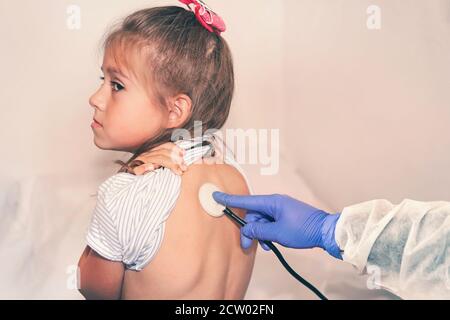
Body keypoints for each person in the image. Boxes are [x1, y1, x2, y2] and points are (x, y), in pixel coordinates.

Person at [78, 2, 257, 300]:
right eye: (102, 81)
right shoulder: (236, 179)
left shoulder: (129, 192)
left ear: (175, 110)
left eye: (117, 85)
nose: (95, 98)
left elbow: (92, 288)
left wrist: (124, 180)